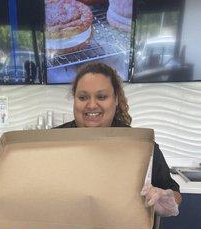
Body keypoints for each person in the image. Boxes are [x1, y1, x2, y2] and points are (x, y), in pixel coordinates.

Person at [55, 62, 181, 217]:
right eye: (83, 97)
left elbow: (173, 191)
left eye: (101, 97)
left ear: (115, 99)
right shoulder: (52, 142)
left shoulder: (141, 146)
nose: (92, 104)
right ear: (74, 99)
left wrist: (167, 201)